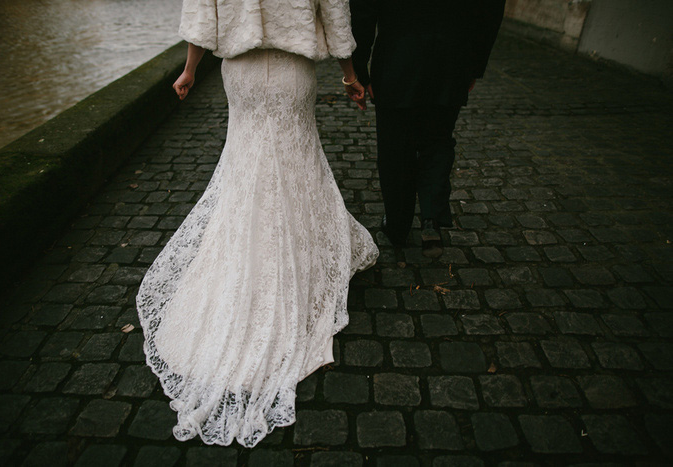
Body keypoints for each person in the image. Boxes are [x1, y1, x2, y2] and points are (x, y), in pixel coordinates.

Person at [135, 0, 378, 448]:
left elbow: (202, 16)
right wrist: (350, 73)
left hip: (240, 73)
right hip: (292, 74)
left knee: (245, 164)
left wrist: (190, 69)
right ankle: (298, 255)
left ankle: (244, 259)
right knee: (298, 161)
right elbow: (336, 17)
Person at [348, 0, 505, 256]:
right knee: (439, 139)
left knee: (395, 144)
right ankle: (431, 218)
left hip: (397, 60)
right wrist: (474, 65)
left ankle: (398, 225)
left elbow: (363, 12)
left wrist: (359, 69)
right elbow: (491, 11)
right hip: (452, 62)